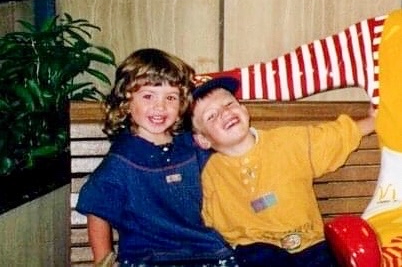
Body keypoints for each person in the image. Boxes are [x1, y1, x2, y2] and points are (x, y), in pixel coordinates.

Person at [190, 76, 376, 267]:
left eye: (229, 104)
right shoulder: (208, 175)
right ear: (203, 140)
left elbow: (337, 136)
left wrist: (373, 120)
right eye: (211, 116)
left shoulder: (289, 142)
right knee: (258, 254)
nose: (225, 113)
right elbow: (201, 225)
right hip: (253, 253)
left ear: (244, 109)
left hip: (310, 246)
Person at [76, 49, 238, 267]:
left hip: (209, 254)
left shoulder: (192, 145)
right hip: (147, 258)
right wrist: (103, 261)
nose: (160, 107)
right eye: (148, 96)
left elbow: (228, 174)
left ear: (182, 103)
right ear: (126, 100)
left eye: (170, 97)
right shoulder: (121, 160)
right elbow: (97, 212)